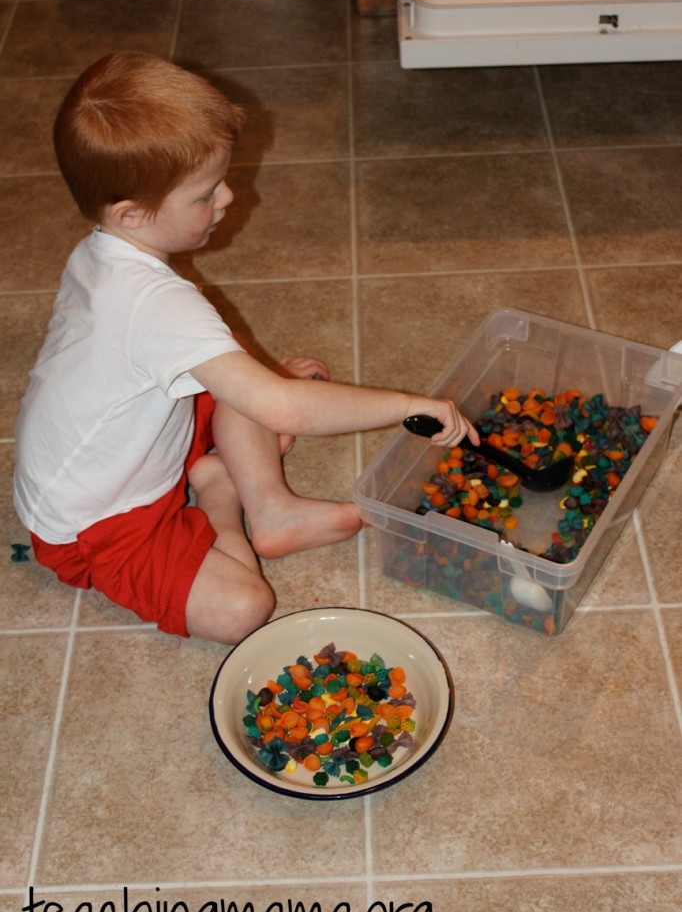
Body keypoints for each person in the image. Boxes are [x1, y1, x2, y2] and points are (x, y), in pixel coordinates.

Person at [13, 51, 478, 645]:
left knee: (228, 360)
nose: (228, 198)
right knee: (243, 608)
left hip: (134, 449)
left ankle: (272, 508)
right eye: (205, 194)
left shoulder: (100, 252)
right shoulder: (156, 307)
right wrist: (411, 403)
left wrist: (259, 385)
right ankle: (222, 492)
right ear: (131, 213)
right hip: (96, 526)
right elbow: (286, 411)